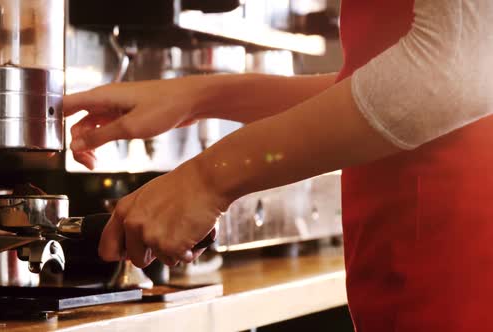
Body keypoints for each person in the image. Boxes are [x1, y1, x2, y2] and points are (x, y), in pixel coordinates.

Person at [64, 0, 493, 330]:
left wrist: (208, 179)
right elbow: (396, 85)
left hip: (462, 279)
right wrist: (202, 98)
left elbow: (452, 73)